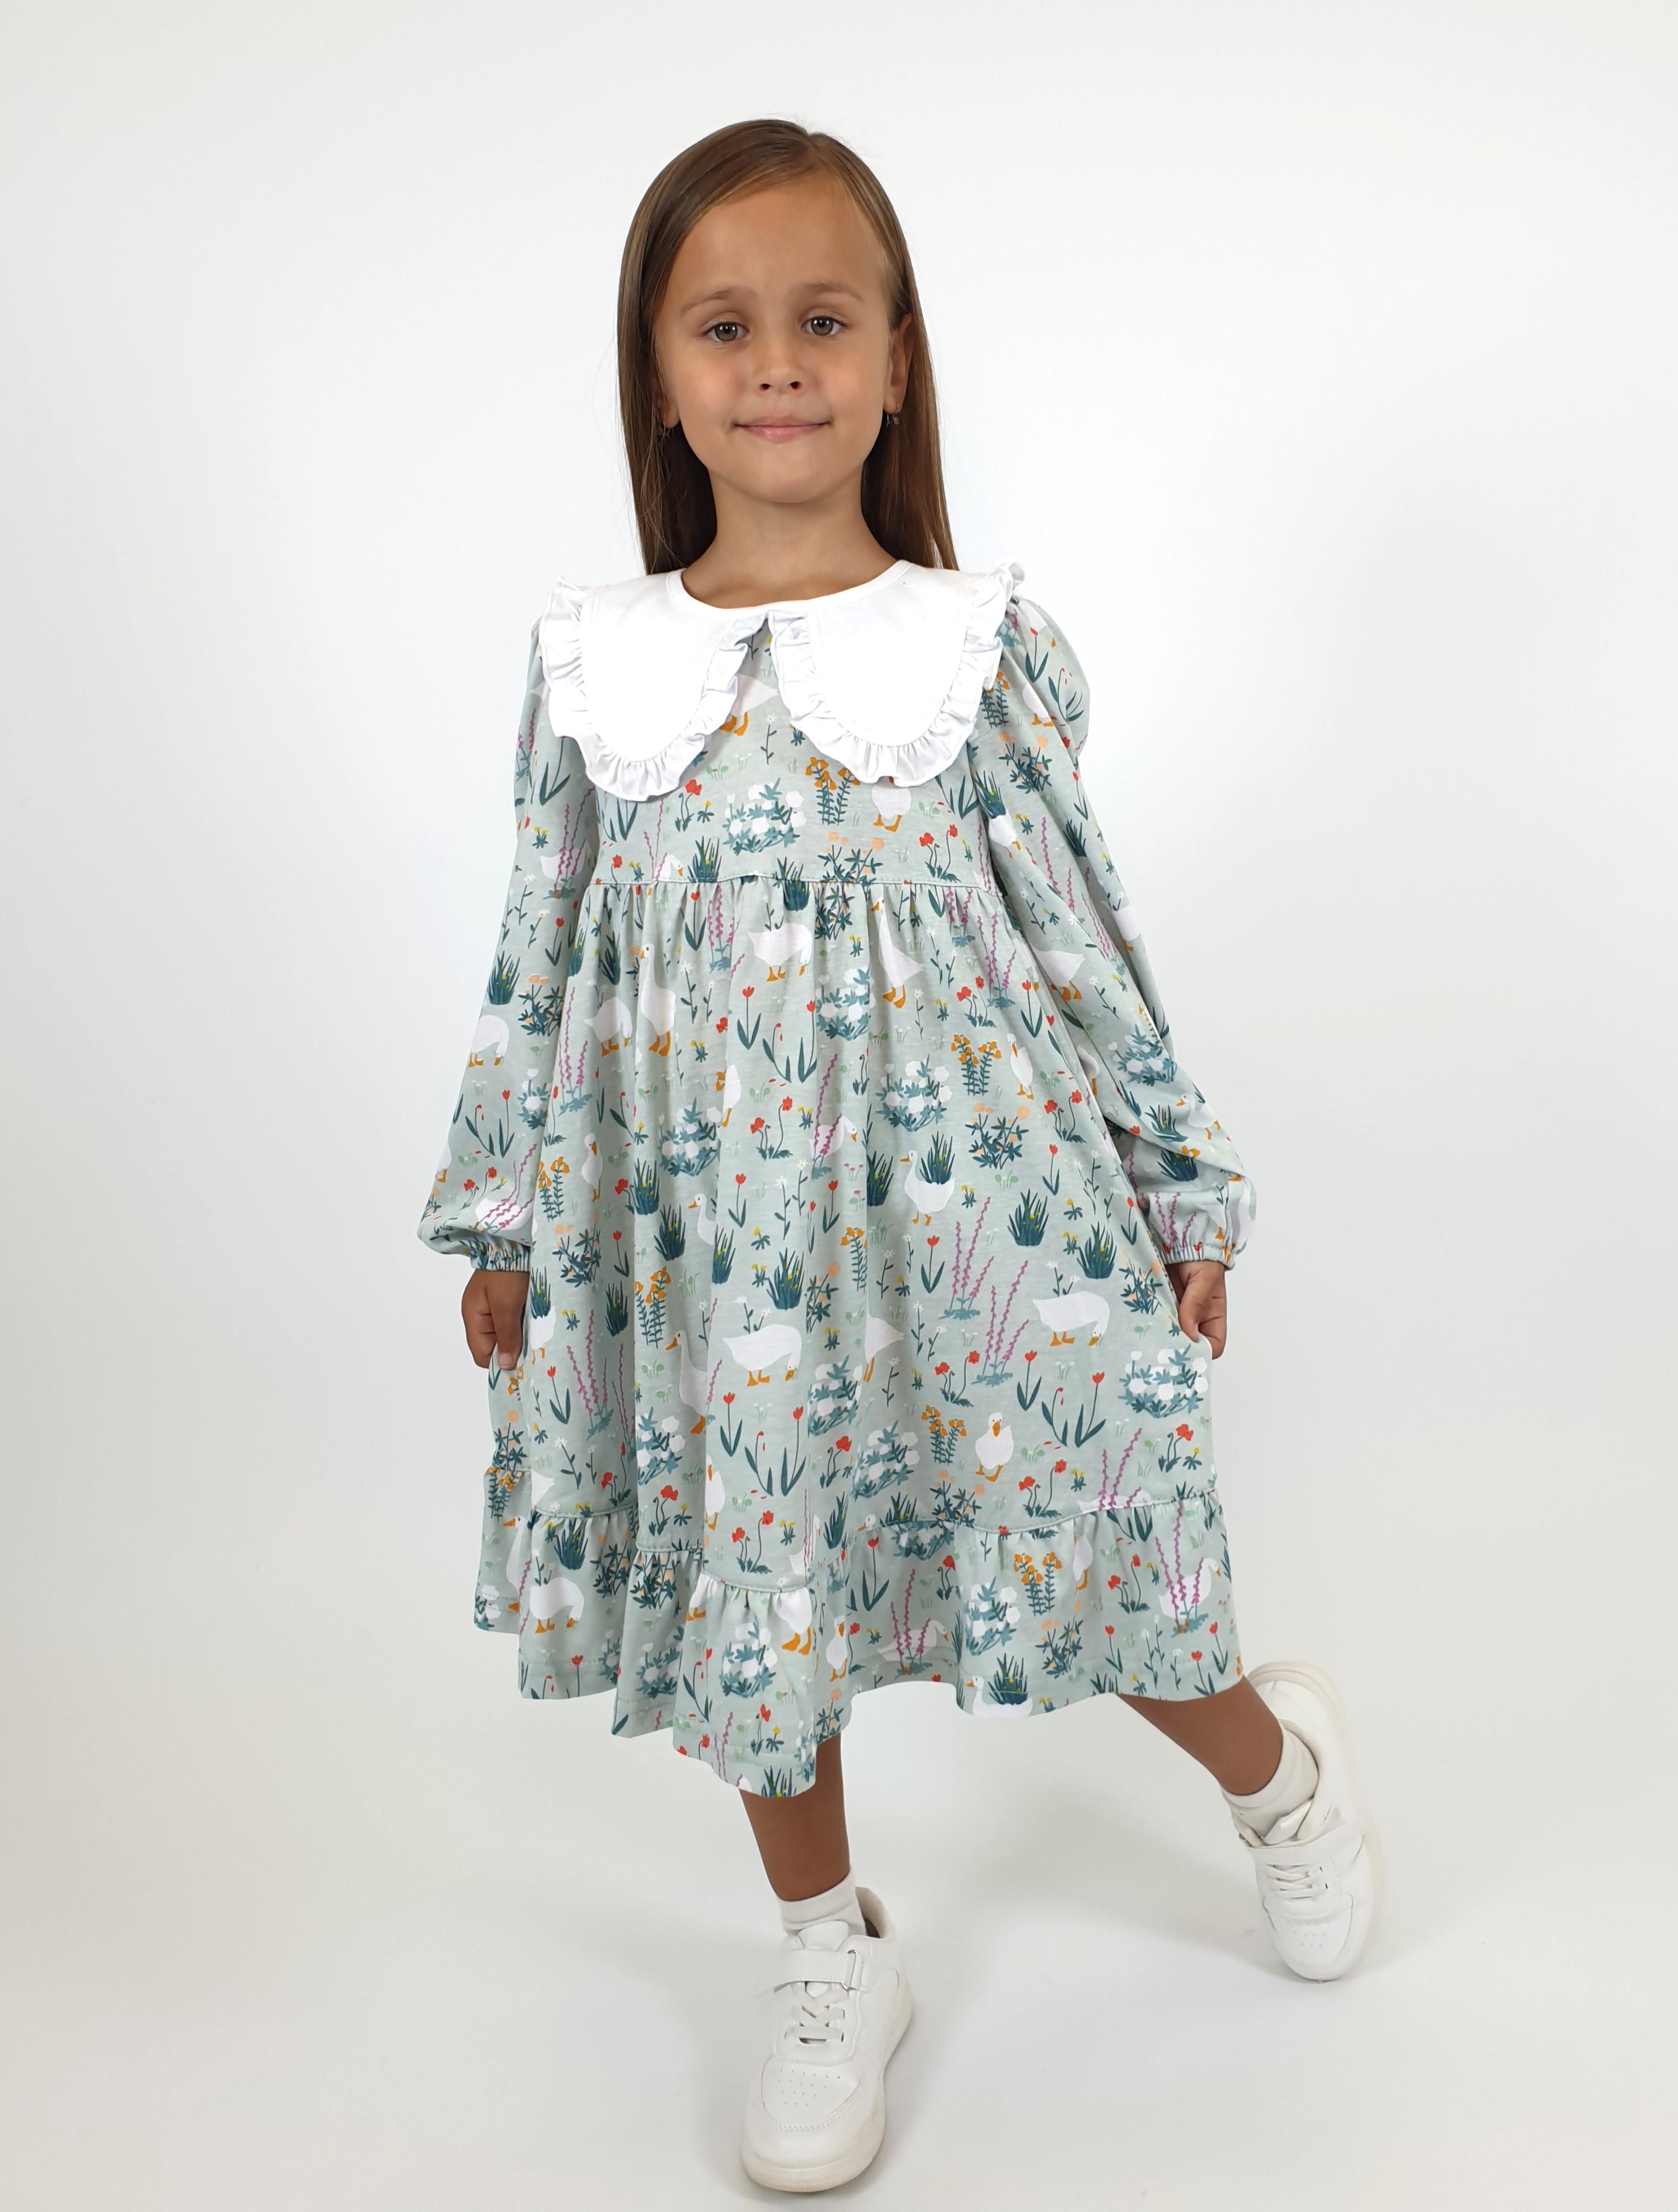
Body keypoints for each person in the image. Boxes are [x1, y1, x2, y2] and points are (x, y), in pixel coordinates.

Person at [416, 116, 1381, 2195]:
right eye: (723, 326)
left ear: (894, 359)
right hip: (708, 1234)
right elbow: (538, 948)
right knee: (759, 1590)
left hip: (989, 1201)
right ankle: (826, 1947)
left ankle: (1276, 1775)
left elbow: (1079, 925)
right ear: (659, 375)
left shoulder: (970, 644)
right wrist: (497, 1204)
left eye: (821, 320)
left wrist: (1174, 1179)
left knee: (1103, 1525)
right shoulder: (598, 662)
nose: (776, 362)